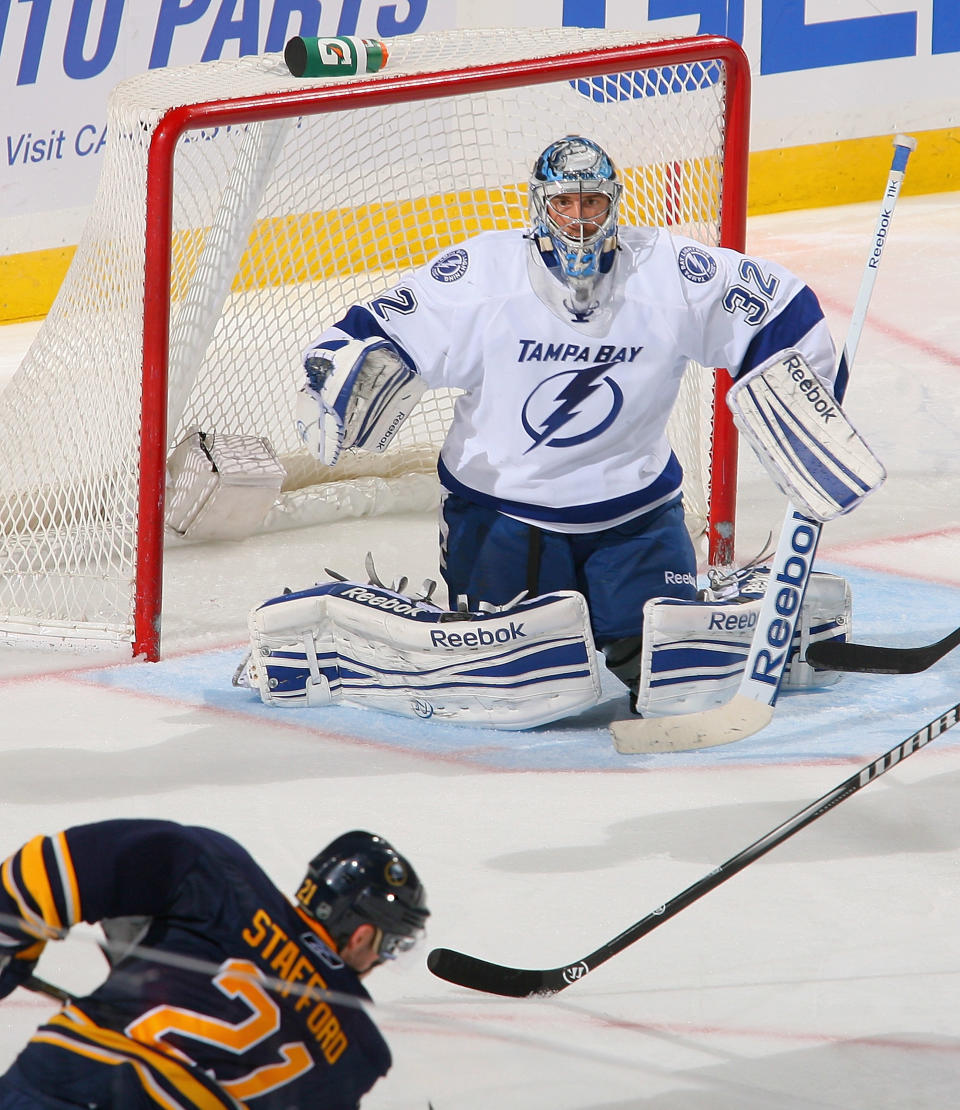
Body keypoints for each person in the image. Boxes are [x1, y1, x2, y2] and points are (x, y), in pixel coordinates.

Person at [296, 135, 845, 712]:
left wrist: (810, 406)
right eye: (565, 204)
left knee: (675, 675)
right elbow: (375, 326)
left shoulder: (667, 273)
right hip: (503, 518)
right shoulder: (484, 276)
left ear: (614, 204)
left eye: (592, 204)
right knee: (504, 685)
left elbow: (781, 307)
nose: (579, 220)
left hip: (634, 518)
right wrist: (339, 382)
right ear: (540, 206)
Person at [0, 819, 428, 1108]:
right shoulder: (355, 1051)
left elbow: (38, 873)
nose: (379, 961)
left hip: (55, 1086)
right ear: (361, 935)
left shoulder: (219, 871)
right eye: (388, 946)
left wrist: (10, 951)